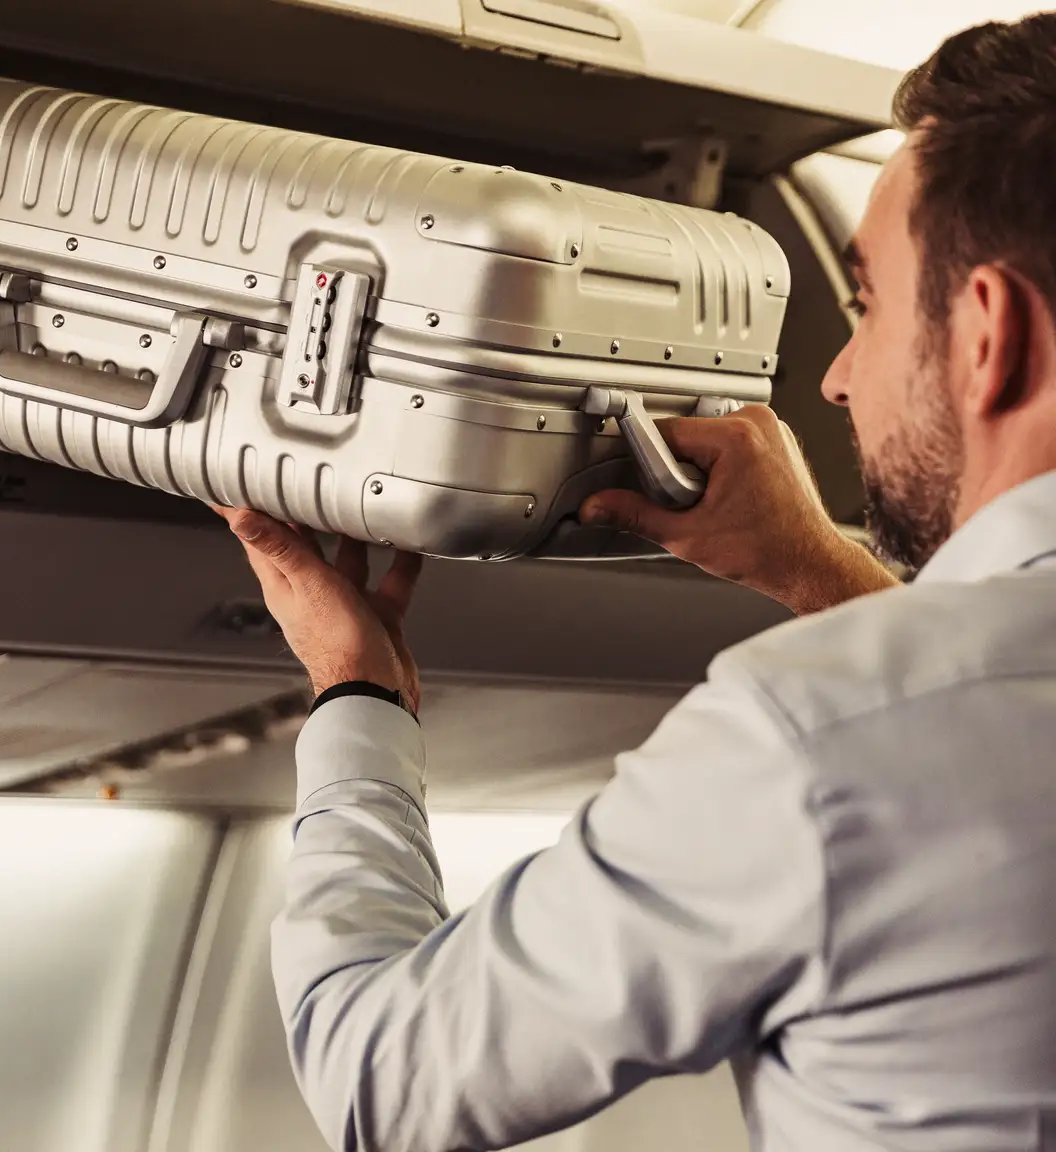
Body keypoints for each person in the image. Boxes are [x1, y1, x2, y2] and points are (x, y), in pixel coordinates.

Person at [215, 13, 1056, 1152]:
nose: (841, 374)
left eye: (868, 304)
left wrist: (356, 694)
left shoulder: (810, 737)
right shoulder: (879, 727)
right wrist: (818, 572)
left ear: (988, 335)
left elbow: (381, 1075)